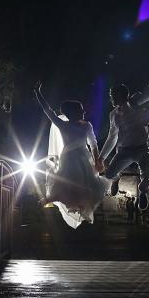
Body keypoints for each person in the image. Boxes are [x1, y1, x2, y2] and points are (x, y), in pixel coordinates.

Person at [99, 53, 149, 211]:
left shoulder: (136, 102)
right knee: (109, 174)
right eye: (110, 96)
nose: (111, 98)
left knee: (146, 175)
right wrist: (102, 156)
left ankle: (143, 192)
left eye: (113, 95)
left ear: (122, 95)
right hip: (124, 151)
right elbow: (112, 137)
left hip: (142, 148)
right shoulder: (113, 115)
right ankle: (116, 178)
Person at [34, 82, 110, 229]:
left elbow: (93, 144)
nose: (84, 112)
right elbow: (48, 111)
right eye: (80, 110)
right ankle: (53, 199)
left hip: (83, 157)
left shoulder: (87, 126)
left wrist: (97, 160)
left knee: (86, 184)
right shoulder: (63, 125)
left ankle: (80, 206)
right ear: (72, 112)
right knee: (68, 183)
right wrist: (38, 94)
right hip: (69, 158)